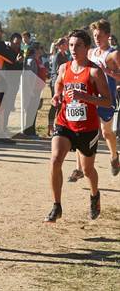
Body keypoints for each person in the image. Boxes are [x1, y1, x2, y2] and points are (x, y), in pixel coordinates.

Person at [45, 29, 112, 223]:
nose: (73, 49)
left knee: (87, 169)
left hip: (87, 127)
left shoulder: (94, 71)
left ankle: (94, 196)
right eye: (71, 45)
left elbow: (107, 101)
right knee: (55, 160)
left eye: (78, 46)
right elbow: (58, 84)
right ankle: (56, 206)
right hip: (65, 122)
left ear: (87, 48)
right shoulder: (64, 68)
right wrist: (57, 96)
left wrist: (85, 97)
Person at [68, 19, 120, 181]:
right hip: (88, 97)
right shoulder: (90, 53)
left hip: (106, 98)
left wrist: (107, 72)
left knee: (106, 133)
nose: (97, 38)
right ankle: (79, 168)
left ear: (107, 35)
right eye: (94, 35)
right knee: (81, 130)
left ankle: (114, 157)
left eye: (99, 35)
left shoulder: (113, 54)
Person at [48, 38, 69, 136]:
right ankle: (50, 127)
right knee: (55, 105)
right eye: (65, 44)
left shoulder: (66, 55)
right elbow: (57, 71)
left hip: (63, 83)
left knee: (61, 106)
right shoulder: (57, 56)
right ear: (60, 46)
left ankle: (58, 126)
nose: (67, 45)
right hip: (55, 83)